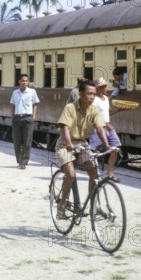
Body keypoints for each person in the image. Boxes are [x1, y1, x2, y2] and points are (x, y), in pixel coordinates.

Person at [55, 80, 110, 219]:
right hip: (65, 145)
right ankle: (62, 205)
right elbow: (65, 127)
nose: (92, 97)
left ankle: (93, 205)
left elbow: (100, 128)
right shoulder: (70, 108)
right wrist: (68, 143)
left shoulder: (94, 110)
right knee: (71, 175)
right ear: (80, 94)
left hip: (82, 144)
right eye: (89, 94)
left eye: (94, 94)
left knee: (93, 172)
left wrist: (108, 146)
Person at [89, 77, 123, 182]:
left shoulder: (106, 99)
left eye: (105, 86)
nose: (106, 88)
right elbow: (92, 115)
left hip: (107, 126)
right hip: (96, 128)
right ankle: (94, 174)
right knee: (94, 151)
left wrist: (118, 110)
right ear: (98, 88)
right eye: (104, 86)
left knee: (115, 149)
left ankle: (109, 173)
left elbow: (106, 113)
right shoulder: (94, 100)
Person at [10, 73, 40, 169]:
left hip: (28, 118)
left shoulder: (32, 92)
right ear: (19, 81)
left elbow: (35, 104)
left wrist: (33, 117)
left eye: (26, 81)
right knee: (17, 141)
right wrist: (12, 117)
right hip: (17, 118)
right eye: (23, 80)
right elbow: (12, 105)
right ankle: (19, 161)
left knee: (27, 141)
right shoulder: (15, 93)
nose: (25, 82)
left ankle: (24, 162)